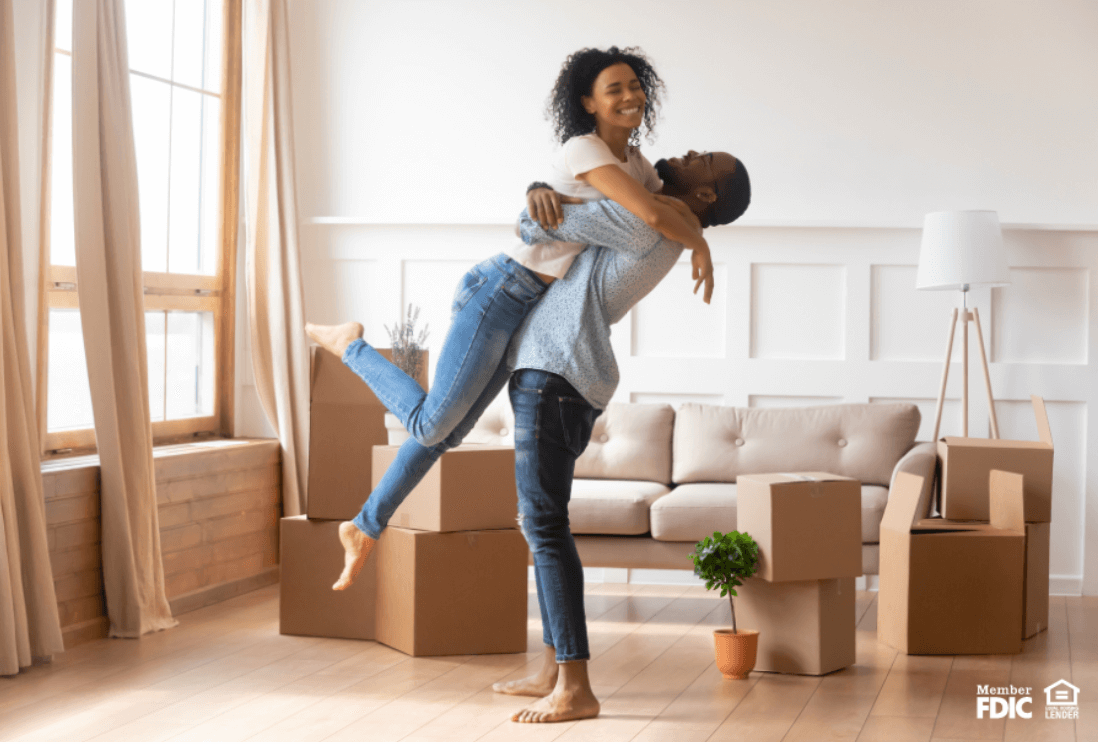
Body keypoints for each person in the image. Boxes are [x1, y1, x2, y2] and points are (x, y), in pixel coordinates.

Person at [306, 46, 716, 590]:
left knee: (445, 435)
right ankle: (350, 344)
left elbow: (669, 208)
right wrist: (701, 247)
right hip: (501, 290)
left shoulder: (637, 165)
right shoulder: (583, 147)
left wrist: (685, 227)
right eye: (614, 89)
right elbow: (646, 219)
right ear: (588, 103)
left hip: (529, 310)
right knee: (432, 424)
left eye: (635, 86)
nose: (630, 96)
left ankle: (364, 526)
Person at [497, 154, 751, 724]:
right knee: (540, 523)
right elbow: (557, 212)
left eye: (701, 160)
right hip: (557, 375)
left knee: (544, 525)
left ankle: (575, 686)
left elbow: (537, 222)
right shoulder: (659, 219)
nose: (685, 155)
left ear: (707, 194)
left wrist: (540, 193)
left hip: (556, 376)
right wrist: (544, 190)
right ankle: (550, 668)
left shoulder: (646, 221)